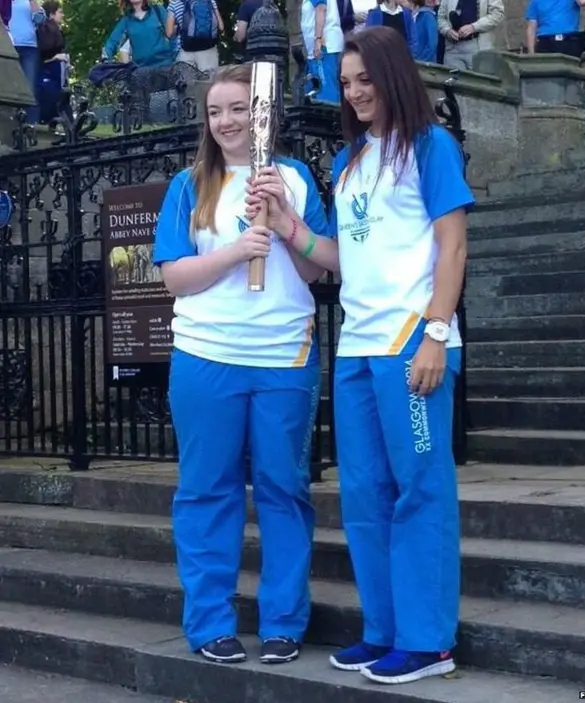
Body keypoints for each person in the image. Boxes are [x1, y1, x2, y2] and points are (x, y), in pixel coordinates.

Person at [247, 25, 474, 685]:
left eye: (364, 78)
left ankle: (429, 641)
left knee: (420, 491)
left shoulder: (432, 148)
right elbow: (345, 259)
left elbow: (452, 248)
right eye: (346, 83)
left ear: (392, 73)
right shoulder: (348, 165)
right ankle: (385, 631)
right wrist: (290, 225)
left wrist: (436, 330)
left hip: (411, 340)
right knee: (366, 495)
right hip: (357, 346)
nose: (354, 91)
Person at [153, 64, 330, 666]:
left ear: (263, 118)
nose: (226, 121)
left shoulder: (297, 178)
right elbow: (175, 278)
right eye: (215, 111)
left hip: (285, 356)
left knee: (285, 490)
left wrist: (285, 224)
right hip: (206, 356)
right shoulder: (188, 185)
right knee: (207, 491)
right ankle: (209, 623)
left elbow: (318, 268)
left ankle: (283, 621)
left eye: (238, 110)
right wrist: (236, 252)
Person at [103, 0, 176, 68]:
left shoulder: (158, 11)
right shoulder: (126, 21)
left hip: (165, 66)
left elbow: (173, 36)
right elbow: (112, 42)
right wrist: (105, 59)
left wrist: (175, 58)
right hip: (141, 71)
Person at [437, 0, 504, 70]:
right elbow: (441, 17)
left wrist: (474, 27)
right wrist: (447, 31)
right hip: (453, 50)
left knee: (477, 80)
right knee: (454, 80)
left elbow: (497, 14)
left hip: (479, 48)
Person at [9, 0, 46, 125]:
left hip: (29, 48)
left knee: (30, 87)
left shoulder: (28, 2)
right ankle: (10, 122)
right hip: (8, 47)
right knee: (9, 87)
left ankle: (31, 124)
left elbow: (40, 20)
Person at [301, 0, 344, 102]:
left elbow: (321, 9)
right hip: (323, 48)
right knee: (316, 90)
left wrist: (318, 40)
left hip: (324, 48)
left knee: (325, 92)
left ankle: (332, 117)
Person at [166, 0, 224, 74]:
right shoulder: (210, 1)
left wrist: (179, 27)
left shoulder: (175, 3)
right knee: (209, 82)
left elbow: (169, 33)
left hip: (186, 51)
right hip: (208, 50)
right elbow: (221, 27)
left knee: (187, 83)